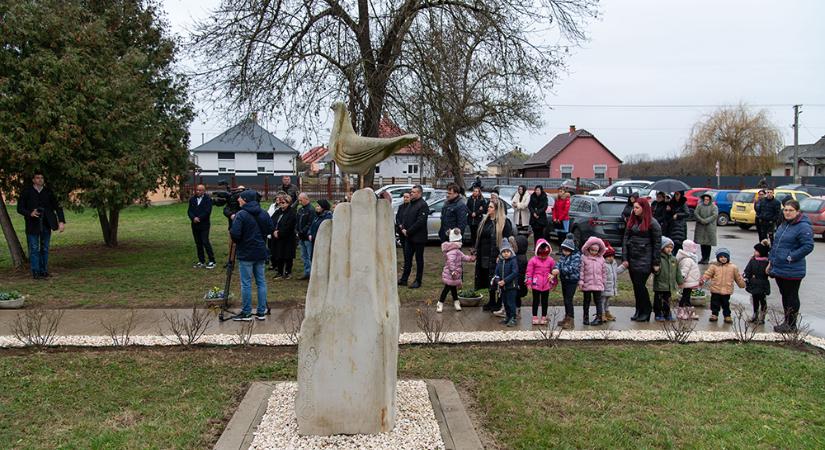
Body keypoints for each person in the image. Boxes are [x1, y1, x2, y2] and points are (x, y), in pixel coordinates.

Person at [768, 200, 815, 332]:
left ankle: (792, 325)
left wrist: (791, 257)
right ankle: (786, 322)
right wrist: (771, 262)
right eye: (785, 210)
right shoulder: (784, 224)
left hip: (792, 269)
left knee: (791, 296)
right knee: (785, 295)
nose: (787, 213)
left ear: (797, 212)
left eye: (790, 210)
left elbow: (808, 246)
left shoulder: (803, 227)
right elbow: (776, 245)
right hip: (779, 268)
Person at [229, 190, 275, 321]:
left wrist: (241, 240)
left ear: (245, 200)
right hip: (260, 251)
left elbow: (235, 234)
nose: (238, 200)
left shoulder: (241, 214)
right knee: (261, 282)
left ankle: (247, 312)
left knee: (246, 283)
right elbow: (270, 229)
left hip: (246, 252)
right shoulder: (264, 213)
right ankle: (261, 312)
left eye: (240, 198)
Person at [16, 172, 66, 279]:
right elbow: (19, 208)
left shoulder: (48, 192)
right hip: (32, 224)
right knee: (34, 248)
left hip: (46, 224)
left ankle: (44, 271)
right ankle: (36, 272)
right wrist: (30, 213)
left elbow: (58, 207)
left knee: (45, 248)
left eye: (42, 178)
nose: (40, 180)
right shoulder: (27, 192)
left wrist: (61, 221)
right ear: (33, 180)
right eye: (37, 178)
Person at [622, 197, 662, 323]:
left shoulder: (653, 223)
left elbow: (657, 244)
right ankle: (639, 310)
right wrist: (625, 257)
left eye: (637, 208)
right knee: (636, 286)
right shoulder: (632, 221)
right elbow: (625, 239)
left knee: (640, 285)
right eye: (634, 207)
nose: (634, 210)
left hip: (645, 259)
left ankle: (646, 309)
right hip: (632, 258)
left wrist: (656, 262)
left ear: (644, 208)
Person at [474, 199, 514, 312]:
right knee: (489, 278)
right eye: (489, 207)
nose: (488, 208)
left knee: (499, 277)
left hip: (498, 256)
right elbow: (480, 237)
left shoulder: (504, 223)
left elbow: (507, 241)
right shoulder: (485, 221)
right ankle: (491, 300)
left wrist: (501, 255)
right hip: (485, 254)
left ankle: (499, 301)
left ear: (497, 209)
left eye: (491, 207)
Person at [702, 248, 745, 324]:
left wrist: (742, 284)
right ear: (718, 258)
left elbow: (737, 277)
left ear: (728, 258)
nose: (723, 259)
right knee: (715, 303)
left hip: (727, 289)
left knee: (726, 304)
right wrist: (703, 280)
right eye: (721, 257)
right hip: (716, 289)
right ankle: (714, 314)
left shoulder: (733, 267)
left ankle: (727, 315)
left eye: (725, 257)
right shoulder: (714, 266)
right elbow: (707, 274)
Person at [437, 228, 476, 313]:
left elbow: (463, 257)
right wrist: (453, 271)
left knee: (453, 288)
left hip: (454, 274)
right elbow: (450, 262)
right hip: (451, 274)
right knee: (447, 288)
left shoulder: (457, 251)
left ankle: (456, 302)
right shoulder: (452, 252)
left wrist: (471, 258)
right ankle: (440, 303)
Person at [398, 185, 429, 289]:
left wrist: (408, 231)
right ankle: (404, 279)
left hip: (418, 238)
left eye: (414, 192)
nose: (411, 193)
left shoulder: (423, 205)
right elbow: (404, 216)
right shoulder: (411, 203)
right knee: (407, 259)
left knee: (419, 260)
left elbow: (420, 222)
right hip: (408, 237)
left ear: (419, 193)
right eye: (411, 191)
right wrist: (402, 227)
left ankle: (418, 281)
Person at [552, 233, 581, 329]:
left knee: (569, 300)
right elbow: (559, 263)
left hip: (572, 281)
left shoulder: (576, 256)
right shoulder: (564, 256)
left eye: (567, 250)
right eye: (563, 250)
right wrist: (555, 269)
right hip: (564, 280)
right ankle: (567, 316)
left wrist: (559, 270)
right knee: (565, 300)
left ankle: (571, 319)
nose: (564, 252)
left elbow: (572, 268)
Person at [652, 237, 683, 322]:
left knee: (667, 301)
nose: (669, 249)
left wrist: (680, 281)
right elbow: (655, 271)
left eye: (671, 247)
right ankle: (658, 314)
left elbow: (677, 271)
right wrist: (656, 270)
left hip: (669, 285)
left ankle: (667, 313)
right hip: (660, 285)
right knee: (658, 301)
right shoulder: (659, 258)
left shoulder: (673, 259)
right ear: (662, 247)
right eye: (667, 247)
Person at [187, 184, 217, 269]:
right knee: (198, 243)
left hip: (204, 224)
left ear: (204, 191)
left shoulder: (208, 200)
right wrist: (193, 218)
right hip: (194, 224)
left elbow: (207, 211)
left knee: (205, 241)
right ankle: (201, 261)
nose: (198, 191)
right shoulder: (192, 199)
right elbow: (189, 211)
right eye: (197, 190)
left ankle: (212, 261)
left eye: (200, 190)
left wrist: (199, 218)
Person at [579, 236, 607, 326]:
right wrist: (581, 282)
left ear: (599, 250)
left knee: (598, 301)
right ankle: (585, 317)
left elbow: (604, 272)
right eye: (592, 250)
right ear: (588, 249)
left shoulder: (601, 259)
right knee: (586, 301)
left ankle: (599, 318)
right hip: (587, 284)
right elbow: (582, 271)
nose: (594, 252)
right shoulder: (584, 258)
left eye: (596, 251)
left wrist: (603, 282)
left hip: (598, 284)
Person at [493, 239, 520, 327]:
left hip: (511, 286)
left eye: (507, 251)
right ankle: (508, 317)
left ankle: (513, 318)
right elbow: (496, 273)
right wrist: (498, 281)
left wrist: (505, 281)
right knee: (505, 303)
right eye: (504, 252)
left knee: (511, 303)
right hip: (503, 287)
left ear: (511, 252)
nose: (506, 253)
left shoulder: (513, 261)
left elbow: (515, 273)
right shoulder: (500, 262)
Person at [269, 194, 297, 279]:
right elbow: (272, 221)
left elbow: (289, 226)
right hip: (277, 237)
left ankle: (288, 272)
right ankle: (280, 272)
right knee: (278, 255)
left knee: (288, 256)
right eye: (280, 202)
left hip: (287, 238)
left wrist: (280, 232)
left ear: (288, 203)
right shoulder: (278, 212)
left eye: (283, 202)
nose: (281, 204)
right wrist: (274, 231)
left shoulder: (291, 213)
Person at [744, 240, 771, 324]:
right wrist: (746, 277)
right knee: (755, 300)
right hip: (753, 284)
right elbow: (747, 270)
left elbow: (770, 272)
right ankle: (755, 315)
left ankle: (762, 317)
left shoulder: (767, 262)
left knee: (762, 301)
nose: (754, 252)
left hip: (762, 284)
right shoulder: (753, 260)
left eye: (756, 251)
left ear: (761, 252)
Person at [675, 239, 701, 320]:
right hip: (687, 282)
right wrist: (682, 279)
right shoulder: (688, 259)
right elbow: (684, 271)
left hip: (690, 282)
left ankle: (686, 312)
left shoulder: (690, 258)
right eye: (693, 248)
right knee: (685, 297)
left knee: (686, 297)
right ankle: (683, 312)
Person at [601, 241, 624, 322]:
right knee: (602, 301)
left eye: (612, 256)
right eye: (608, 256)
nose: (611, 258)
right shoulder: (603, 264)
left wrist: (623, 267)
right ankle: (602, 314)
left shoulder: (613, 263)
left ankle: (607, 312)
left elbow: (616, 272)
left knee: (607, 301)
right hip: (604, 287)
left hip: (611, 287)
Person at [295, 193, 316, 280]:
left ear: (306, 199)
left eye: (301, 200)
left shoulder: (311, 210)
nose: (299, 202)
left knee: (309, 255)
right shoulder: (300, 210)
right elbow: (297, 221)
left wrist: (302, 232)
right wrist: (296, 231)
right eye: (299, 200)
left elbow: (310, 223)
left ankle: (312, 273)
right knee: (303, 256)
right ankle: (307, 272)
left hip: (307, 236)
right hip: (301, 236)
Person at [693, 193, 718, 265]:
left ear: (710, 200)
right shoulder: (699, 206)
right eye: (705, 199)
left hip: (709, 227)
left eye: (707, 199)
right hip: (701, 227)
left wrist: (706, 220)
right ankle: (703, 258)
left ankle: (707, 258)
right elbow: (696, 213)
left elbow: (714, 215)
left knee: (708, 244)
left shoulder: (714, 207)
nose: (706, 201)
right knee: (702, 243)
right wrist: (701, 220)